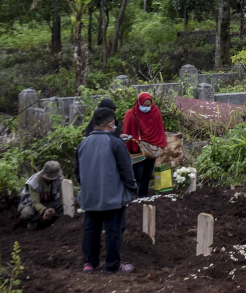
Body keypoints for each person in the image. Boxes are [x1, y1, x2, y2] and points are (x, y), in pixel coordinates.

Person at [74, 108, 137, 274]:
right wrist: (132, 187)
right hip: (112, 195)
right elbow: (126, 169)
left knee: (91, 228)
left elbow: (77, 171)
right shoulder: (116, 142)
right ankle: (112, 265)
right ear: (111, 124)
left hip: (90, 195)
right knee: (114, 230)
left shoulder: (83, 143)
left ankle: (90, 263)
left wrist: (88, 186)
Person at [122, 92, 167, 197]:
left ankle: (143, 194)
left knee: (147, 173)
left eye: (148, 105)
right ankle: (134, 194)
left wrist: (161, 144)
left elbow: (160, 130)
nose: (146, 107)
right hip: (137, 148)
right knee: (138, 173)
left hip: (152, 147)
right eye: (144, 105)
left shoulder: (155, 112)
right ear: (139, 103)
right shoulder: (131, 114)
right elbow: (127, 131)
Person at [18, 161, 64, 230]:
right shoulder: (34, 182)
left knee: (65, 202)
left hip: (49, 201)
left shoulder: (59, 178)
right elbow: (35, 203)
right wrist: (44, 210)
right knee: (27, 213)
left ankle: (55, 220)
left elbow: (62, 195)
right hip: (31, 204)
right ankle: (34, 221)